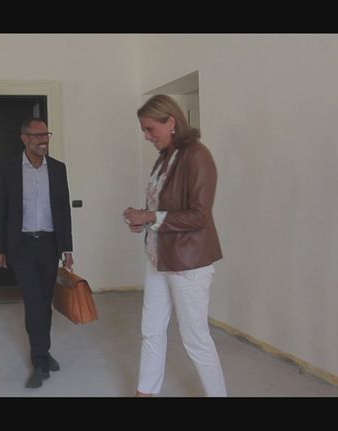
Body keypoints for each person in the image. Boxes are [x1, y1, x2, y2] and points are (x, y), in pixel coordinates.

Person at [123, 94, 226, 397]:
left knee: (195, 339)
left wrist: (149, 216)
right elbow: (161, 206)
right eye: (144, 130)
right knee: (151, 330)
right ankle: (145, 393)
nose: (146, 136)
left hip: (188, 263)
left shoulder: (197, 156)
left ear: (171, 121)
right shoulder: (164, 158)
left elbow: (199, 216)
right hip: (158, 257)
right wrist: (142, 219)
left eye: (150, 129)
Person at [0, 117, 74, 389]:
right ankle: (39, 361)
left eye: (46, 135)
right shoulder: (9, 169)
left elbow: (63, 210)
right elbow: (1, 210)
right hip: (22, 246)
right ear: (24, 138)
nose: (44, 140)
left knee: (45, 300)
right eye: (38, 135)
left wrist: (67, 248)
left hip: (49, 244)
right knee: (33, 300)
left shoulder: (58, 169)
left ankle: (43, 351)